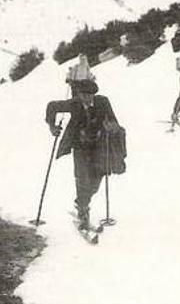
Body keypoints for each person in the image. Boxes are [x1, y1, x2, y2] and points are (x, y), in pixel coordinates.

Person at [45, 79, 126, 230]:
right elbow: (52, 106)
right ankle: (83, 210)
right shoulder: (73, 104)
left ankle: (81, 202)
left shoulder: (103, 102)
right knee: (83, 177)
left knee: (97, 179)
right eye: (84, 95)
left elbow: (114, 120)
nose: (88, 99)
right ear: (79, 95)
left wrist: (112, 127)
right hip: (80, 146)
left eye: (90, 95)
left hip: (98, 145)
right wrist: (52, 126)